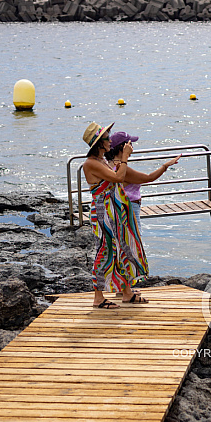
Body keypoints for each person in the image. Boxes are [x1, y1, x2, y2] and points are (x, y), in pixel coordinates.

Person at [81, 121, 148, 309]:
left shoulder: (102, 160)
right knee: (104, 252)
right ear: (99, 143)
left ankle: (126, 292)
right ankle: (98, 297)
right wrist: (125, 157)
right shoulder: (91, 163)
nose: (110, 141)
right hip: (103, 214)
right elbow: (119, 178)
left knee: (121, 249)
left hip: (114, 212)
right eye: (106, 138)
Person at [105, 131, 180, 229]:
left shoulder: (109, 164)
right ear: (122, 147)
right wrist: (165, 166)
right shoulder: (122, 168)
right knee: (134, 239)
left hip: (118, 207)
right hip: (129, 207)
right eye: (130, 144)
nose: (132, 147)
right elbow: (149, 178)